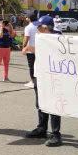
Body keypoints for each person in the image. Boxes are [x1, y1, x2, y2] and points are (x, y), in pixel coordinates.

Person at [25, 15, 63, 147]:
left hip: (52, 77)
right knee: (40, 102)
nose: (37, 29)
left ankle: (56, 134)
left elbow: (54, 53)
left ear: (46, 28)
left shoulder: (56, 38)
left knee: (53, 105)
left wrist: (31, 49)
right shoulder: (42, 37)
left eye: (39, 27)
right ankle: (42, 128)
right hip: (40, 74)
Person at [22, 14, 37, 88]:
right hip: (39, 49)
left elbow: (26, 38)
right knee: (37, 66)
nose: (26, 18)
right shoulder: (39, 26)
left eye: (27, 17)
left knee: (31, 66)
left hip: (30, 50)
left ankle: (33, 82)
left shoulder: (28, 27)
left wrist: (23, 47)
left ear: (29, 19)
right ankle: (37, 81)